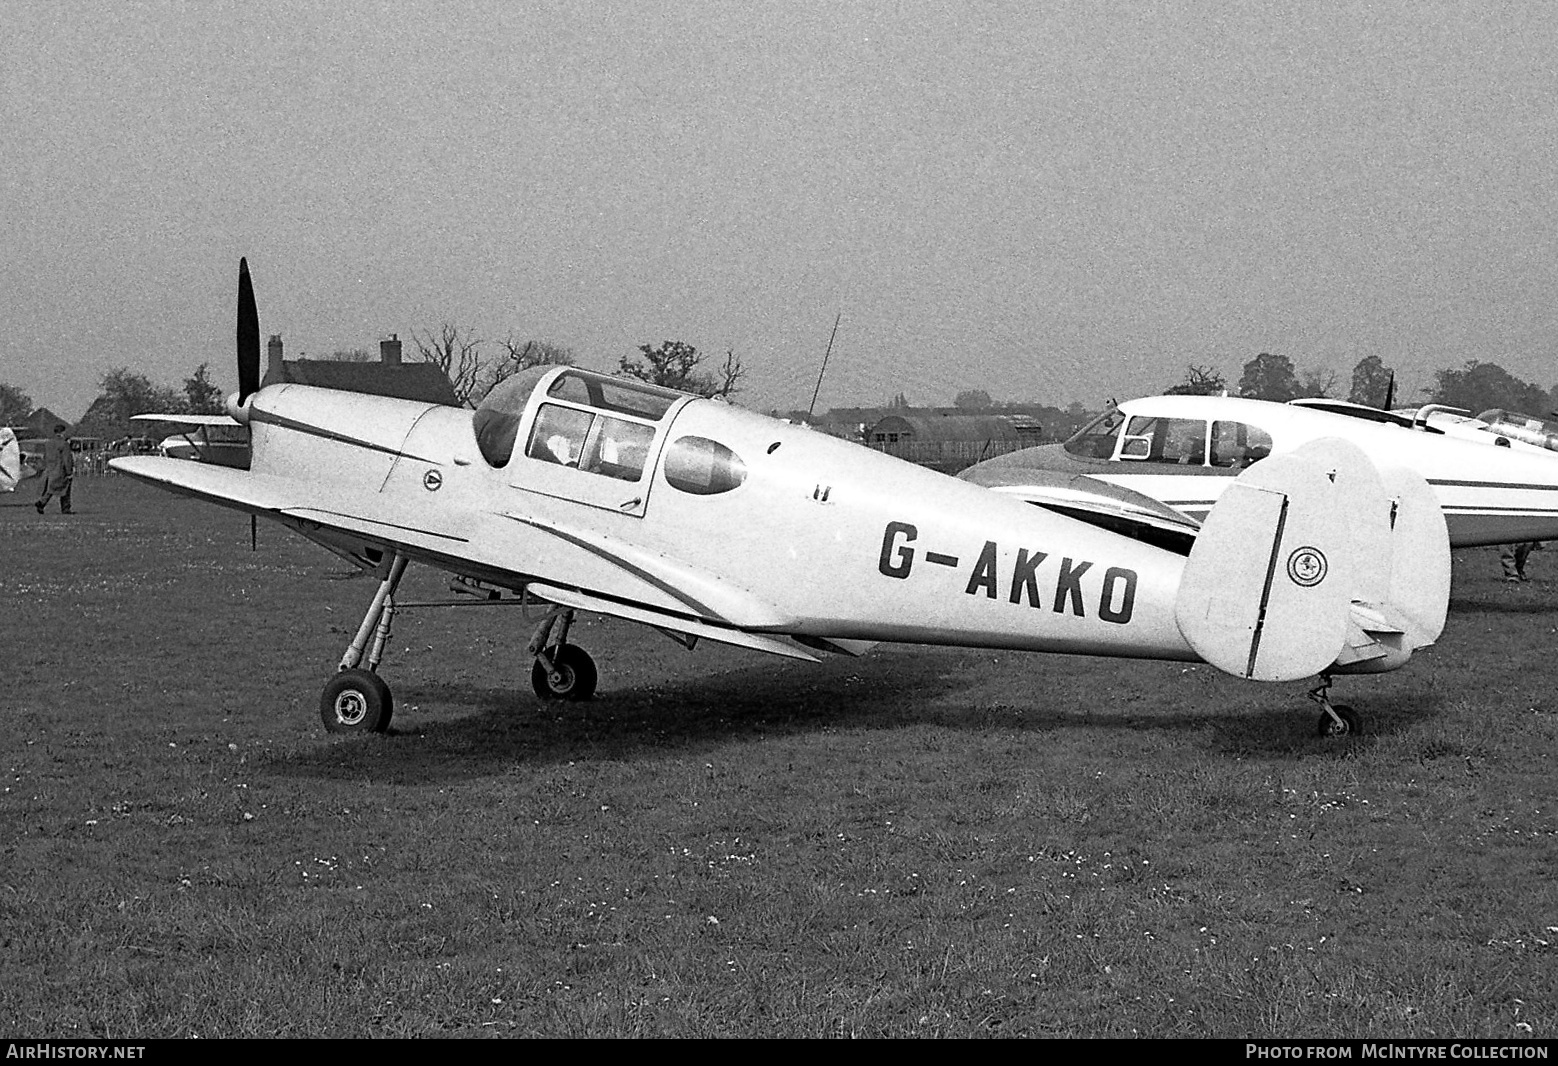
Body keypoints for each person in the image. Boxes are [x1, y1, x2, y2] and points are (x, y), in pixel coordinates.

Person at [34, 423, 74, 515]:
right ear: (63, 432)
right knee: (65, 489)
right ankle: (65, 508)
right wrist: (69, 472)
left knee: (50, 488)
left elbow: (45, 457)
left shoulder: (48, 443)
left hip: (49, 469)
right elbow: (67, 459)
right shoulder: (64, 444)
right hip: (60, 470)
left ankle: (42, 503)